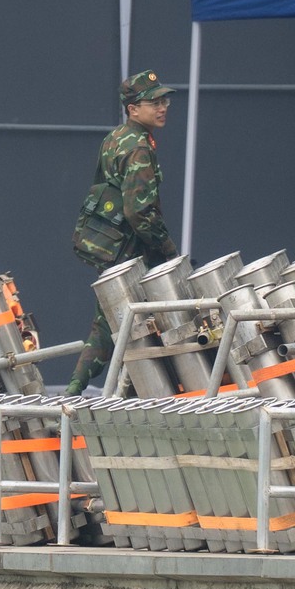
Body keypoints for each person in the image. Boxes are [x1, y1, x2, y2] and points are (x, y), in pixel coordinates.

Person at [67, 70, 178, 393]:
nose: (163, 107)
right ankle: (128, 394)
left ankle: (77, 388)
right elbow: (139, 211)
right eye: (154, 102)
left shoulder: (114, 138)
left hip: (110, 247)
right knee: (146, 324)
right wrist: (167, 251)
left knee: (109, 322)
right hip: (132, 252)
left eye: (164, 100)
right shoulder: (139, 148)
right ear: (133, 109)